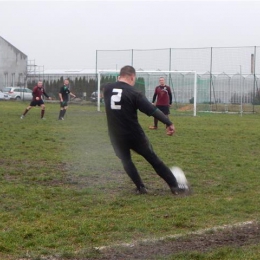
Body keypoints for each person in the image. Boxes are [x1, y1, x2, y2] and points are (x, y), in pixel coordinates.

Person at [103, 65, 189, 195]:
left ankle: (140, 187)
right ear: (132, 77)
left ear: (120, 76)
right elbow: (152, 110)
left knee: (126, 161)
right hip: (134, 134)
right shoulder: (134, 93)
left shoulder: (108, 89)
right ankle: (175, 186)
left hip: (115, 135)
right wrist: (168, 122)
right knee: (152, 159)